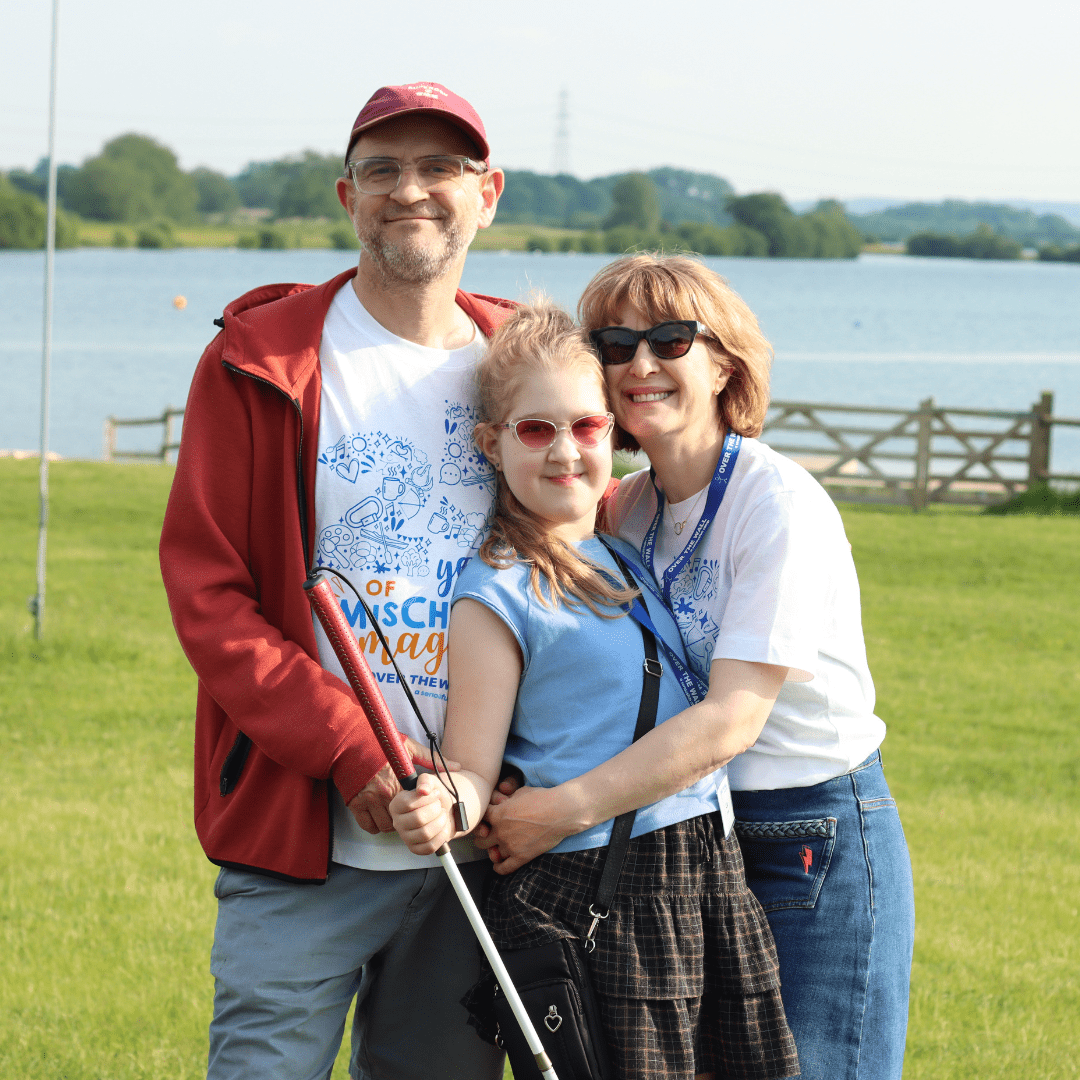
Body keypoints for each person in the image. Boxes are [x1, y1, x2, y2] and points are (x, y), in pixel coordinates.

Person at [478, 254, 915, 1080]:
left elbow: (730, 720)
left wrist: (559, 810)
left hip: (808, 829)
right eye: (615, 343)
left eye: (671, 339)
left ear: (724, 362)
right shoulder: (625, 506)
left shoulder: (775, 503)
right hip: (688, 839)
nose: (640, 363)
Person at [159, 82, 512, 1080]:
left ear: (488, 193)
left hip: (473, 844)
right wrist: (350, 750)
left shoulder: (529, 363)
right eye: (384, 170)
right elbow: (208, 592)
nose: (413, 190)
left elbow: (572, 578)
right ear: (346, 196)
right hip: (301, 830)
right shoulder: (256, 357)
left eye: (440, 168)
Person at [389, 302, 800, 1080]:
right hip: (603, 888)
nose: (566, 452)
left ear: (614, 431)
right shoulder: (497, 590)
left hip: (706, 871)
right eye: (536, 431)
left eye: (586, 426)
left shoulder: (626, 548)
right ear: (493, 444)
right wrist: (450, 804)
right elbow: (474, 768)